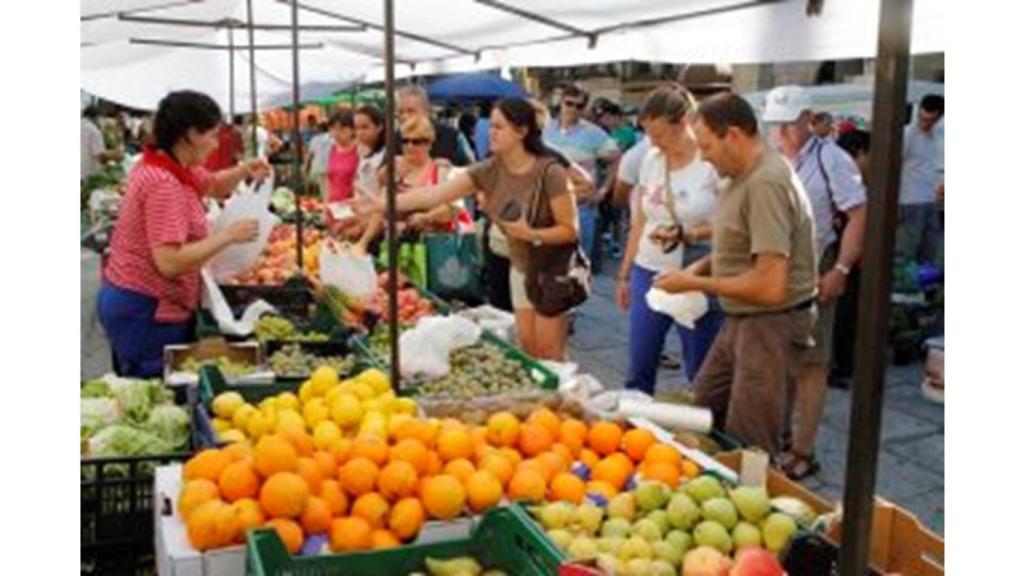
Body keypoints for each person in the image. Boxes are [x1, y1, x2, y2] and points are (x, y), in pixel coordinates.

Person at [654, 93, 817, 457]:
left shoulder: (766, 183)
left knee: (752, 439)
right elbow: (738, 243)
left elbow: (770, 285)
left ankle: (754, 491)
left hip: (769, 325)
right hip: (742, 320)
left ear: (735, 135)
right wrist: (695, 267)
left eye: (707, 146)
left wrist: (693, 283)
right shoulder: (738, 177)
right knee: (699, 407)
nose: (704, 156)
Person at [355, 98, 580, 360]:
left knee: (549, 354)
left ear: (522, 131)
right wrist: (382, 203)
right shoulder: (490, 168)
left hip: (551, 270)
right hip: (521, 268)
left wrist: (530, 233)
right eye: (491, 125)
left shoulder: (549, 171)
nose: (490, 132)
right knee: (529, 350)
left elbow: (569, 230)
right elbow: (433, 195)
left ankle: (565, 398)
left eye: (499, 127)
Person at [98, 91, 271, 377]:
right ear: (190, 134)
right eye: (212, 135)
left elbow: (213, 185)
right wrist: (227, 236)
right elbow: (169, 262)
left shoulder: (173, 166)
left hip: (138, 300)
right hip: (146, 308)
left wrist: (244, 170)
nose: (216, 144)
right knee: (152, 388)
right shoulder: (163, 183)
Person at [762, 85, 867, 479]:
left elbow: (858, 214)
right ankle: (783, 435)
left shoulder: (832, 159)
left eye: (791, 125)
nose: (784, 133)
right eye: (777, 125)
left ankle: (804, 450)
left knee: (812, 363)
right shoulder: (772, 158)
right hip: (776, 264)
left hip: (815, 261)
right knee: (781, 357)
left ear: (809, 120)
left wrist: (839, 269)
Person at [616, 85, 724, 394]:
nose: (654, 143)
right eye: (649, 135)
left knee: (700, 369)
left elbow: (733, 224)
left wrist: (690, 233)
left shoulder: (710, 163)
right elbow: (640, 219)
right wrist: (625, 274)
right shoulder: (651, 160)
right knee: (639, 363)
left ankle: (701, 431)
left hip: (694, 272)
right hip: (647, 269)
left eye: (660, 135)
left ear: (685, 122)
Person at [543, 84, 621, 266]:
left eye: (579, 106)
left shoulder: (594, 133)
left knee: (578, 265)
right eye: (569, 103)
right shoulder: (546, 129)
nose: (573, 109)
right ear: (561, 103)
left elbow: (618, 160)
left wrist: (603, 191)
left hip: (581, 207)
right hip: (548, 205)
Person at [830, 129, 871, 390]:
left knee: (848, 313)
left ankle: (842, 363)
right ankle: (838, 366)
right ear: (859, 153)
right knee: (843, 315)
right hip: (843, 263)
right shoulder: (846, 181)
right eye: (870, 154)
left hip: (848, 262)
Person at [897, 94, 944, 266]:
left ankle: (924, 287)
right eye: (922, 118)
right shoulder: (907, 135)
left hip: (930, 200)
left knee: (930, 250)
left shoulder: (937, 136)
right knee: (907, 250)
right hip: (909, 202)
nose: (925, 123)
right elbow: (895, 167)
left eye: (930, 120)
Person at [397, 86, 471, 166]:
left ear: (426, 111)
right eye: (400, 112)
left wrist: (451, 168)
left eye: (410, 111)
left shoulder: (452, 136)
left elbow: (472, 170)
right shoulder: (394, 138)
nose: (404, 116)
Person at [323, 110, 360, 206]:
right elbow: (329, 181)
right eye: (333, 129)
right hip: (334, 205)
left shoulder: (360, 150)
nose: (336, 133)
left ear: (353, 130)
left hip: (353, 205)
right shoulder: (332, 149)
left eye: (342, 129)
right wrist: (325, 204)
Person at [82, 106, 123, 182]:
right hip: (87, 176)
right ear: (96, 117)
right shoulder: (93, 130)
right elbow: (101, 157)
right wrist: (115, 154)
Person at [305, 121, 332, 196]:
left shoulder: (315, 139)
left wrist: (307, 167)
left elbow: (310, 155)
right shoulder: (332, 137)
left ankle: (327, 202)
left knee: (323, 188)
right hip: (331, 166)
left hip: (319, 166)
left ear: (319, 129)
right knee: (330, 188)